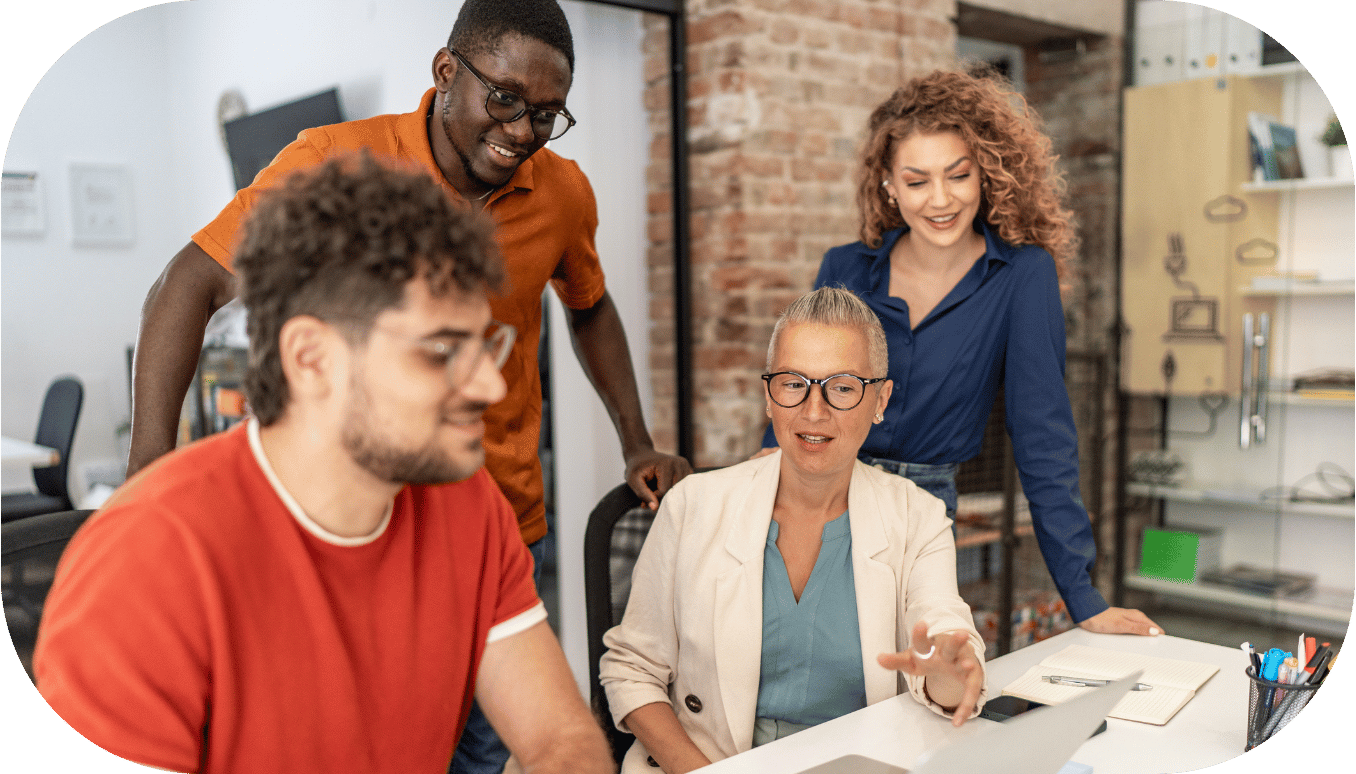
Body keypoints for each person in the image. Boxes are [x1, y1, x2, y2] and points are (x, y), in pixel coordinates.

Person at [128, 1, 688, 769]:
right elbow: (186, 283)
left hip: (502, 524)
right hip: (361, 536)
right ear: (446, 71)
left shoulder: (559, 192)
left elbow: (590, 308)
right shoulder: (336, 162)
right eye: (506, 100)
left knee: (482, 755)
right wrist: (151, 465)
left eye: (549, 114)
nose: (524, 131)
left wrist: (635, 439)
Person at [35, 155, 613, 774]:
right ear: (311, 359)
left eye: (485, 344)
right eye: (442, 351)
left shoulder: (469, 505)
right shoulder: (149, 559)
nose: (492, 390)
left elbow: (560, 740)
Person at [757, 69, 1159, 637]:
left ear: (986, 176)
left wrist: (1082, 597)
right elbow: (795, 400)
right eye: (917, 181)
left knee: (914, 671)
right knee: (807, 662)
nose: (941, 200)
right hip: (821, 490)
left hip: (925, 506)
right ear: (889, 186)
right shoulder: (845, 267)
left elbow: (1043, 438)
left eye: (959, 175)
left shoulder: (1022, 276)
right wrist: (756, 494)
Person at [601, 287, 986, 774]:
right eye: (792, 383)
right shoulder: (692, 506)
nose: (814, 410)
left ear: (880, 400)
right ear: (768, 395)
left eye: (843, 387)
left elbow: (944, 638)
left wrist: (949, 672)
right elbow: (631, 670)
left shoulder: (918, 517)